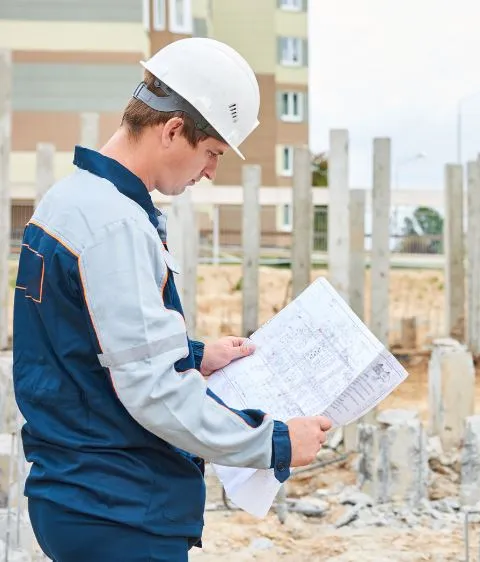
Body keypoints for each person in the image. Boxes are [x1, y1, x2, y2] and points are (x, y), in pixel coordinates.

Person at [12, 37, 331, 561]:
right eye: (211, 153)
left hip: (76, 496)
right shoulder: (115, 225)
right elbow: (156, 392)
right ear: (173, 130)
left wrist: (195, 355)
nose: (210, 171)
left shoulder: (68, 202)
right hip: (119, 508)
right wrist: (275, 443)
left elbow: (82, 343)